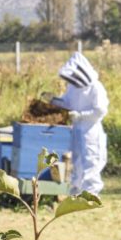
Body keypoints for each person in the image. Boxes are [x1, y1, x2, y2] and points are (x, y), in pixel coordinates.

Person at [46, 51, 108, 195]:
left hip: (91, 130)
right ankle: (76, 191)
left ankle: (91, 194)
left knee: (91, 161)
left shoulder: (96, 87)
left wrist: (80, 115)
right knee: (76, 160)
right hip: (76, 130)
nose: (73, 79)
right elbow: (67, 103)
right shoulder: (73, 87)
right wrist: (54, 100)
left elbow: (100, 111)